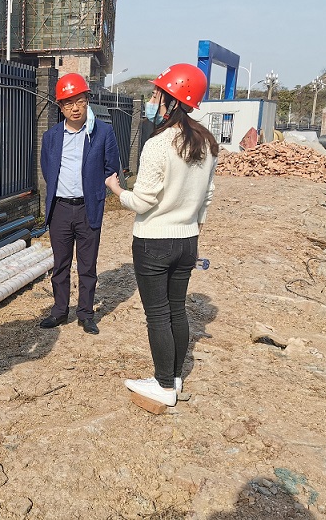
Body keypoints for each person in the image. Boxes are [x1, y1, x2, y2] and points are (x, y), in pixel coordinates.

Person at [105, 63, 218, 407]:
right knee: (177, 310)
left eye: (157, 94)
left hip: (154, 241)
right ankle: (175, 377)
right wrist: (192, 232)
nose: (153, 100)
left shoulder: (158, 144)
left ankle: (164, 385)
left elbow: (143, 201)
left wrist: (116, 189)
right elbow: (207, 197)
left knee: (157, 314)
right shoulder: (206, 142)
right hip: (187, 240)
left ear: (173, 100)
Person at [39, 73, 121, 335]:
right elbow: (48, 169)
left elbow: (111, 168)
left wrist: (97, 193)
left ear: (87, 100)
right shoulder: (51, 136)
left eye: (80, 101)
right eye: (68, 103)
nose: (75, 108)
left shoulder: (102, 133)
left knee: (87, 265)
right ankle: (59, 311)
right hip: (60, 209)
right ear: (60, 106)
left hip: (88, 208)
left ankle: (85, 313)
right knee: (60, 264)